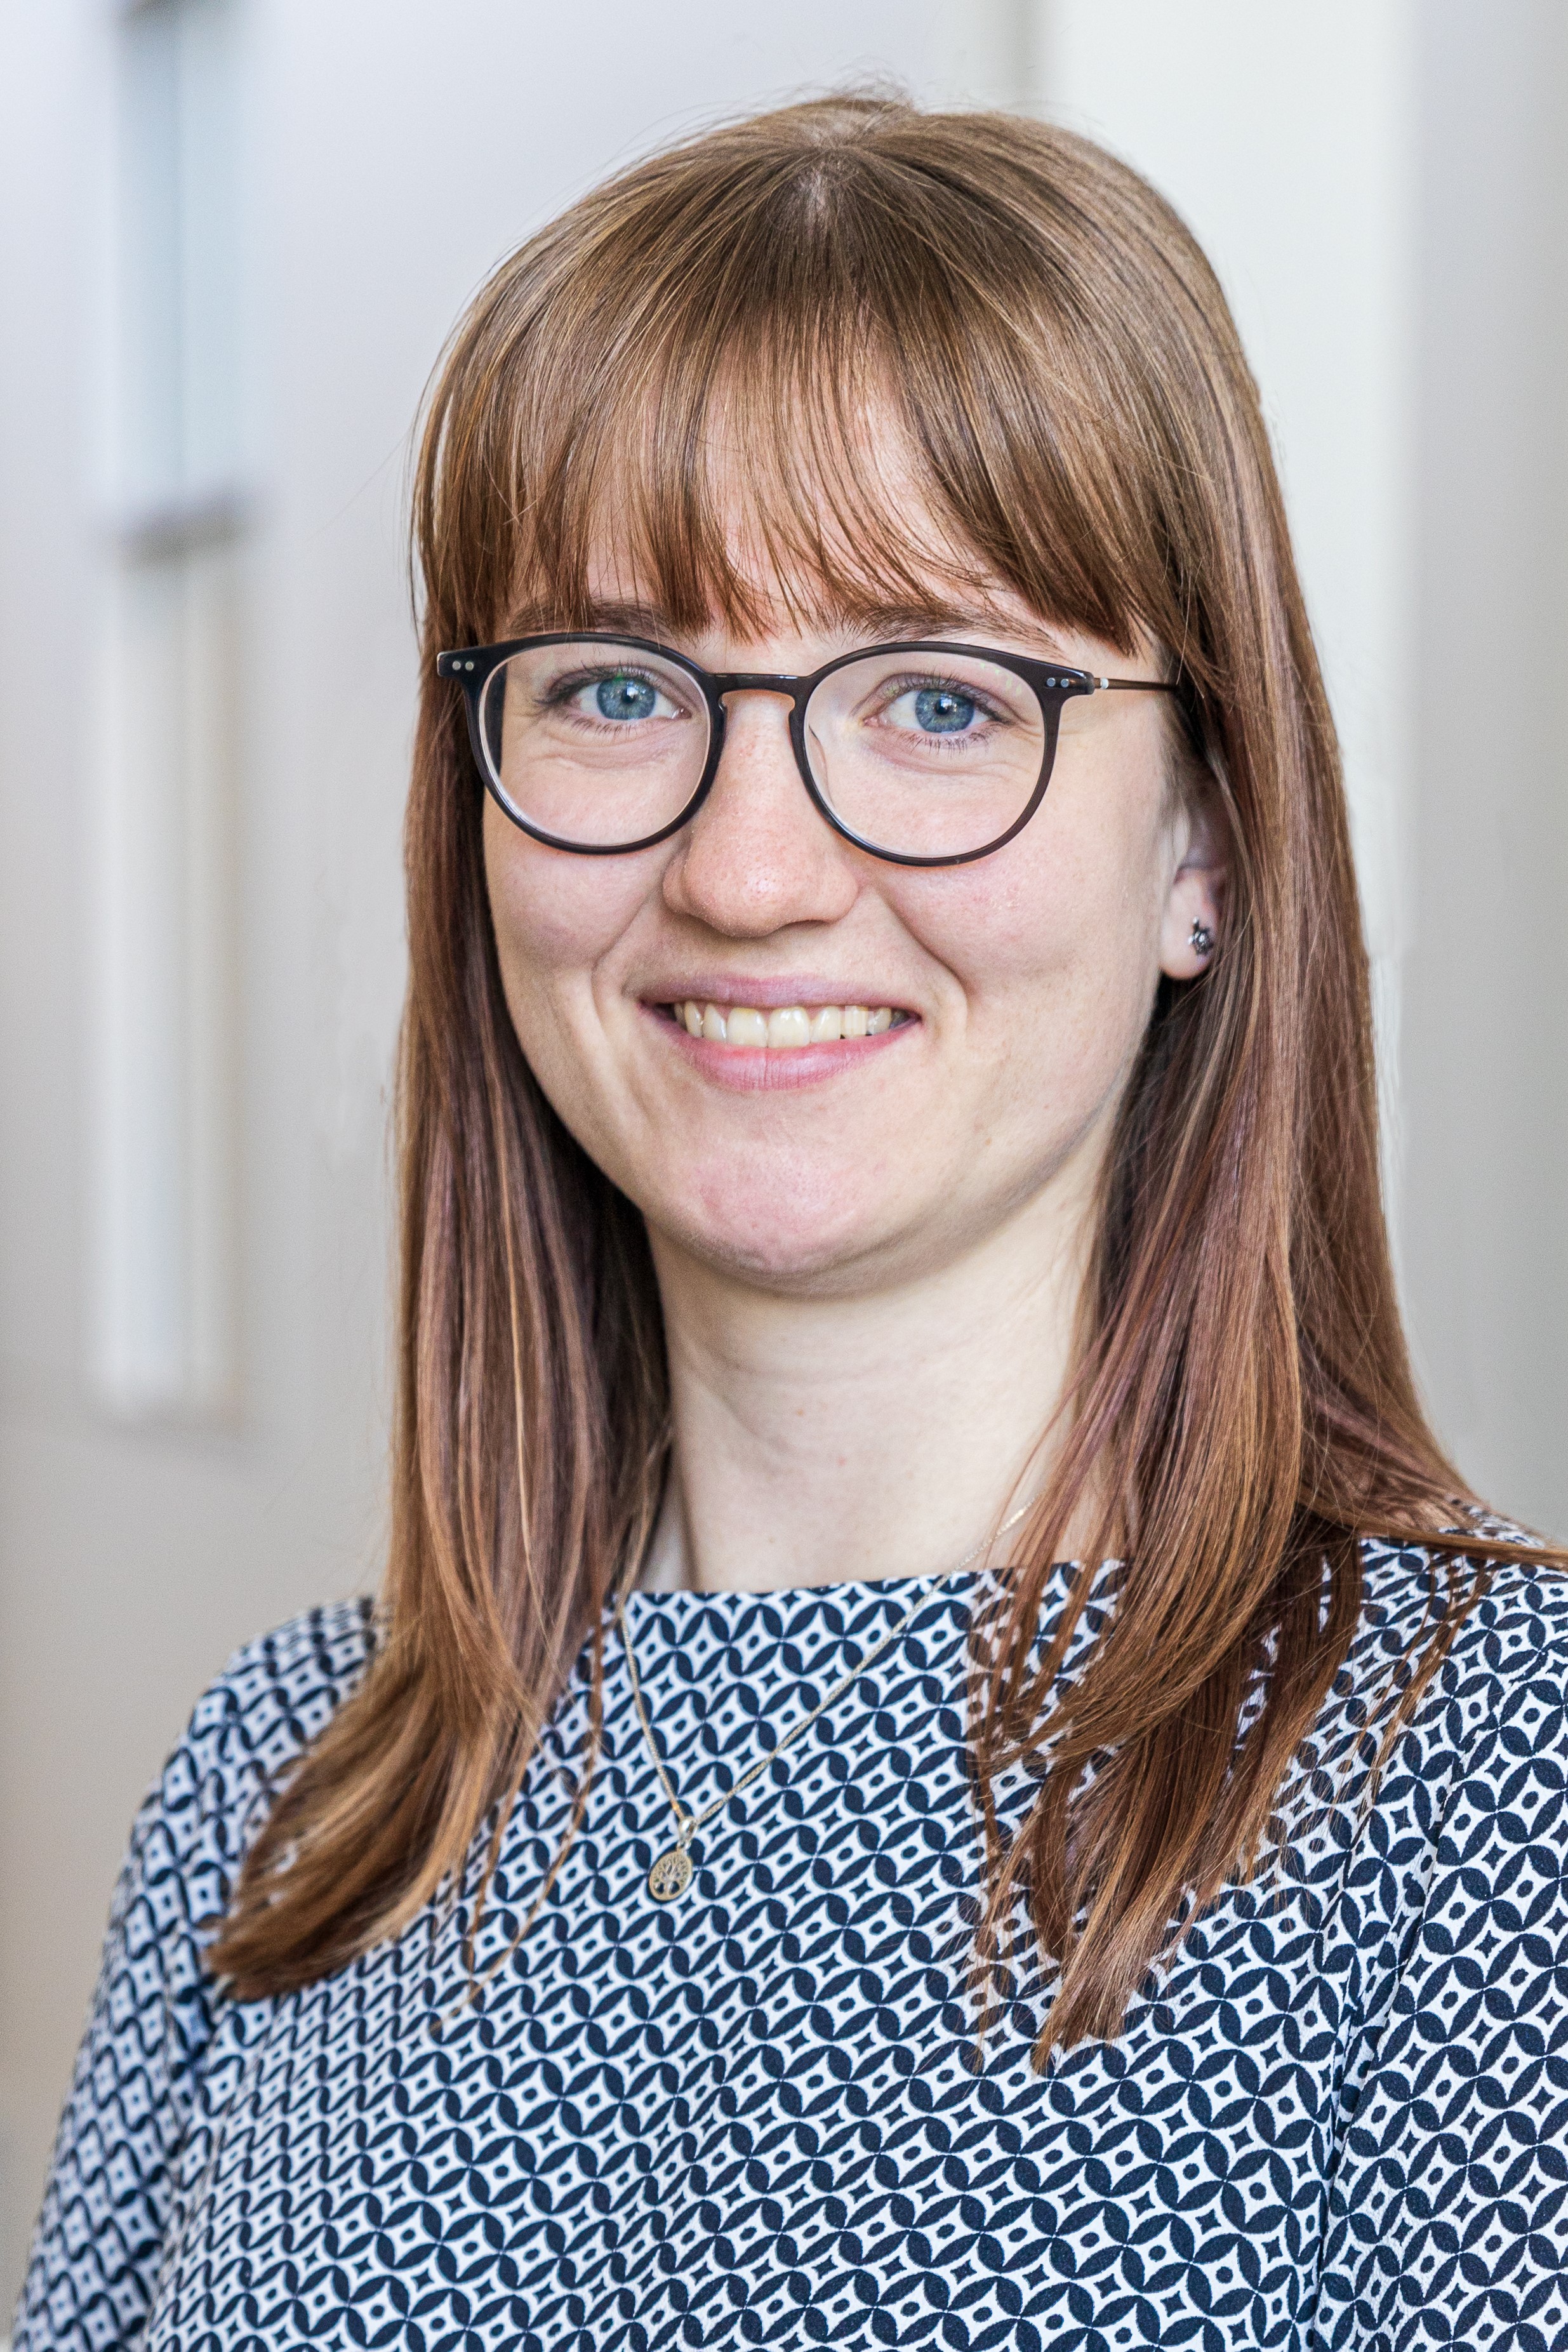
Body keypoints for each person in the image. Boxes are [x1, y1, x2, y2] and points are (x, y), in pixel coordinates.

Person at [15, 95, 1568, 2352]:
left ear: (1206, 848)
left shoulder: (1496, 1794)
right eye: (622, 688)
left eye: (944, 699)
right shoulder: (282, 1799)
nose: (748, 868)